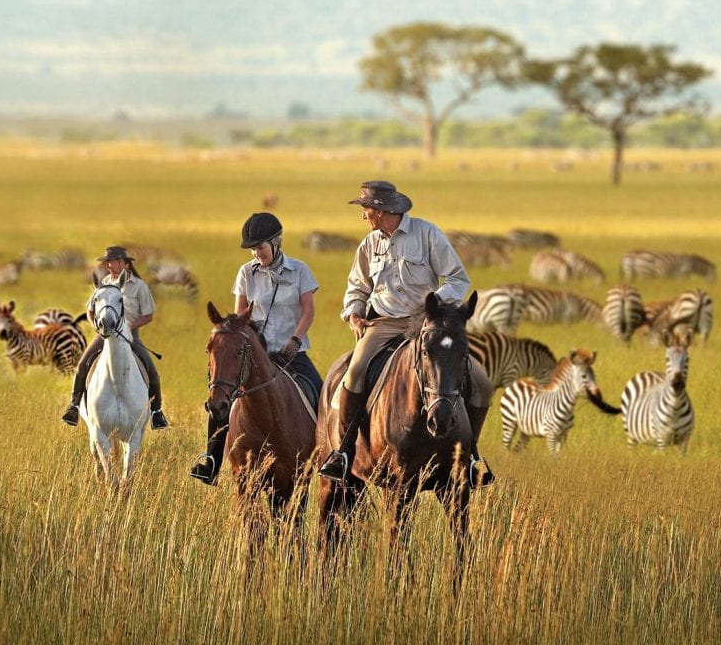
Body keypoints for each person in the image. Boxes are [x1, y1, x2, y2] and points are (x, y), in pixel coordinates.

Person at [317, 180, 494, 486]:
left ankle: (470, 456)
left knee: (482, 384)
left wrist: (435, 305)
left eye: (366, 210)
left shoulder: (428, 234)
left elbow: (457, 278)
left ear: (382, 210)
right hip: (383, 324)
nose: (364, 217)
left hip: (425, 323)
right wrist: (355, 314)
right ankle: (344, 453)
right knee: (355, 373)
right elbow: (357, 288)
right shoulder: (369, 245)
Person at [189, 212, 323, 485]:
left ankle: (330, 457)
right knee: (221, 398)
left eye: (260, 247)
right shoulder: (245, 273)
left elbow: (308, 311)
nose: (255, 253)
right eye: (252, 248)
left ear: (276, 242)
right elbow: (240, 315)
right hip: (254, 354)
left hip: (291, 353)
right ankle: (211, 460)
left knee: (321, 395)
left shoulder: (299, 270)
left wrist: (295, 340)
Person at [61, 246, 168, 430]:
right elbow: (90, 310)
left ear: (123, 263)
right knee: (82, 365)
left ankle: (157, 412)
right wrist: (95, 325)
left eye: (111, 262)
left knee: (152, 371)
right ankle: (74, 406)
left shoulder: (139, 286)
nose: (108, 266)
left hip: (130, 335)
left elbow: (148, 315)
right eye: (107, 262)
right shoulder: (104, 282)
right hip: (105, 334)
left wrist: (129, 326)